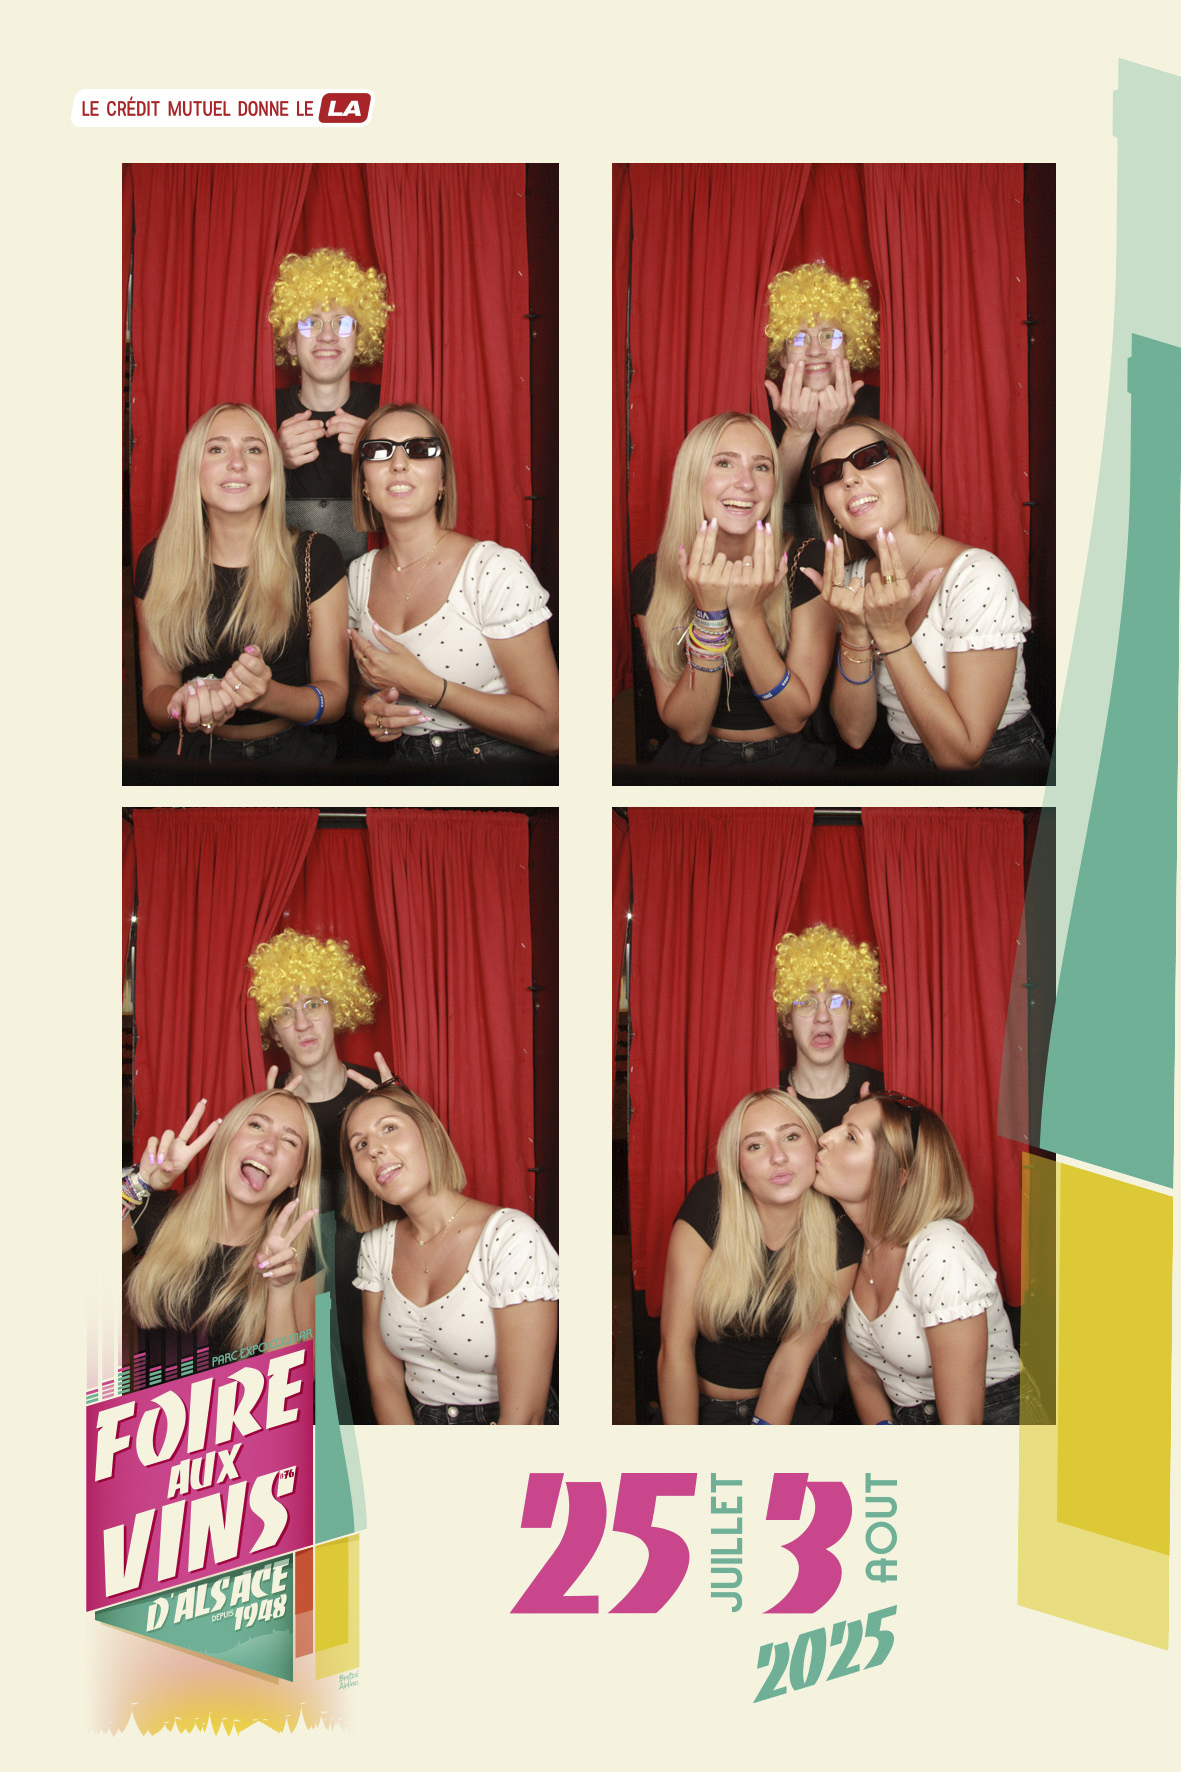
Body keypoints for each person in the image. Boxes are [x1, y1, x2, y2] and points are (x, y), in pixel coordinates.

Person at [809, 417, 1050, 771]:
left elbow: (962, 757)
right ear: (830, 508)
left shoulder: (978, 574)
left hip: (1000, 766)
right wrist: (855, 632)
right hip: (904, 763)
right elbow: (854, 733)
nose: (849, 479)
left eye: (868, 458)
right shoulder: (850, 582)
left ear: (905, 473)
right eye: (831, 473)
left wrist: (891, 634)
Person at [135, 403, 349, 766]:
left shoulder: (316, 555)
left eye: (253, 449)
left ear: (272, 469)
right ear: (192, 468)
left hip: (294, 757)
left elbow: (334, 701)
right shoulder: (157, 561)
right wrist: (183, 704)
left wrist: (266, 695)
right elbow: (157, 702)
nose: (236, 463)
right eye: (217, 449)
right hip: (196, 758)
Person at [347, 404, 559, 764]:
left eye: (419, 449)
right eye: (379, 450)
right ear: (365, 484)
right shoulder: (358, 576)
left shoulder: (494, 570)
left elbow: (552, 732)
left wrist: (429, 688)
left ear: (443, 480)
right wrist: (371, 709)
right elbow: (359, 694)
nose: (398, 463)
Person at [343, 1082, 559, 1424]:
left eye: (390, 1128)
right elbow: (383, 1378)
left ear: (430, 1130)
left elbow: (526, 1418)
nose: (375, 1150)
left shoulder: (511, 1237)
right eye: (361, 1144)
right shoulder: (376, 1247)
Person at [631, 412, 836, 771]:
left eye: (761, 467)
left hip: (787, 762)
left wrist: (746, 613)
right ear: (692, 476)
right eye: (725, 463)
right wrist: (710, 617)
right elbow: (690, 729)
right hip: (694, 762)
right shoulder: (653, 575)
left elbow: (793, 718)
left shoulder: (807, 561)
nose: (746, 483)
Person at [815, 1094, 1022, 1424]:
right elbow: (862, 1372)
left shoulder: (941, 1251)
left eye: (851, 1136)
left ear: (897, 1176)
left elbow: (963, 1428)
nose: (824, 1138)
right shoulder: (856, 1247)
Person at [657, 1092, 861, 1425]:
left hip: (787, 1409)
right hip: (700, 1410)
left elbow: (791, 1364)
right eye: (755, 1145)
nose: (778, 1157)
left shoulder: (840, 1233)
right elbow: (674, 1348)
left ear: (816, 1146)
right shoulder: (710, 1203)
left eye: (791, 1137)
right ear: (737, 1165)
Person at [247, 929, 382, 1426]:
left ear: (337, 1009)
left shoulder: (378, 1091)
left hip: (377, 1289)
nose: (301, 1022)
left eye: (314, 1004)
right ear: (273, 1029)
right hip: (300, 1288)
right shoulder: (267, 1115)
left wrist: (402, 1112)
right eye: (285, 1012)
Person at [122, 1093, 320, 1387]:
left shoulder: (295, 1255)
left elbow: (291, 1384)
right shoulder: (159, 1214)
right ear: (227, 1139)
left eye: (290, 1141)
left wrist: (280, 1290)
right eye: (256, 1125)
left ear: (296, 1177)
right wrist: (140, 1182)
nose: (268, 1144)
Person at [268, 247, 392, 565]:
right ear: (291, 342)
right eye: (310, 323)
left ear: (359, 339)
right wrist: (272, 459)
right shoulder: (265, 410)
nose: (327, 336)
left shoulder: (387, 407)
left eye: (343, 323)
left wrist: (376, 450)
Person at [763, 261, 881, 532]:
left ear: (849, 346)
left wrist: (834, 433)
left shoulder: (880, 406)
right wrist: (797, 434)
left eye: (829, 336)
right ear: (782, 356)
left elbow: (871, 504)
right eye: (798, 339)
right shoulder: (760, 411)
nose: (815, 351)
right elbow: (766, 512)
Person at [772, 923, 884, 1131]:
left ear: (851, 1015)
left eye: (836, 1001)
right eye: (806, 1002)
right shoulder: (770, 1098)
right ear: (787, 1018)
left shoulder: (882, 1092)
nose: (823, 1017)